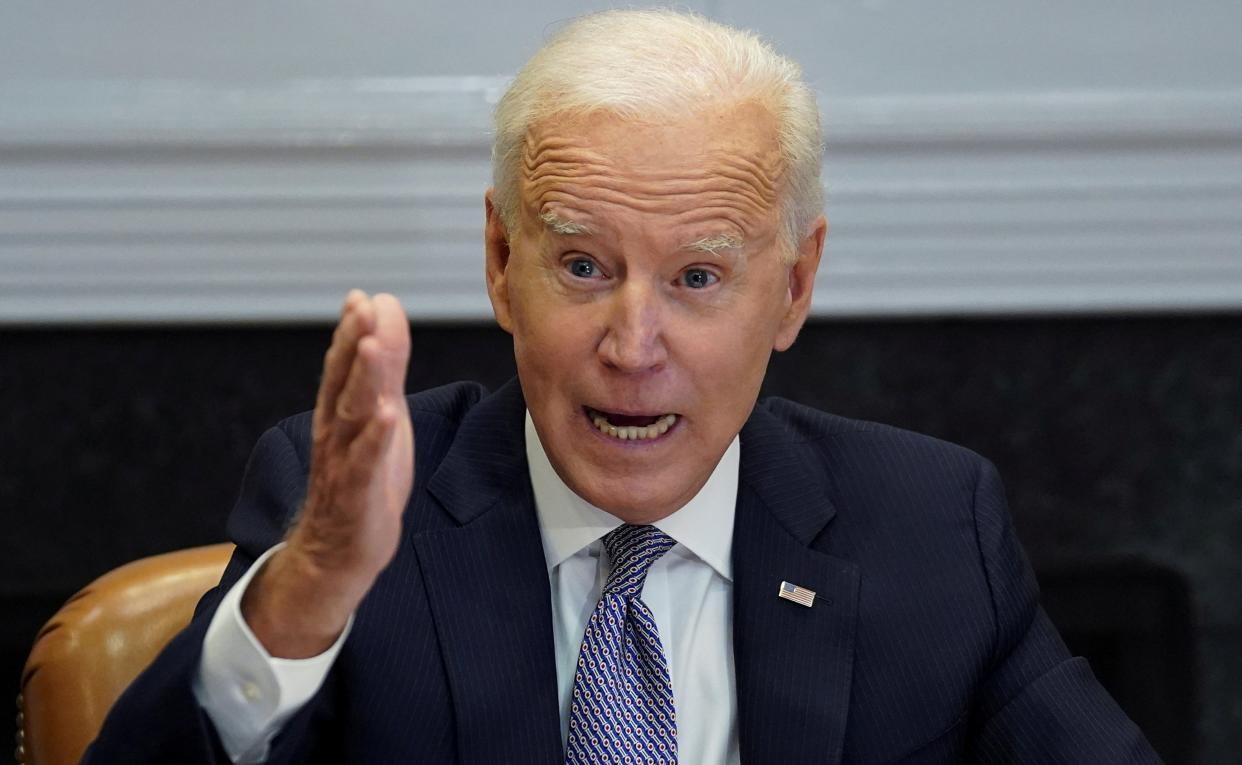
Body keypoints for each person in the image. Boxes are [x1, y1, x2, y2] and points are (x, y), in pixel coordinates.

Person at [86, 9, 1162, 764]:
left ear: (793, 289)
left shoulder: (927, 527)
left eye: (698, 277)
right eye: (585, 267)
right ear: (502, 261)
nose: (633, 343)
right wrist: (307, 595)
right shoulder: (358, 515)